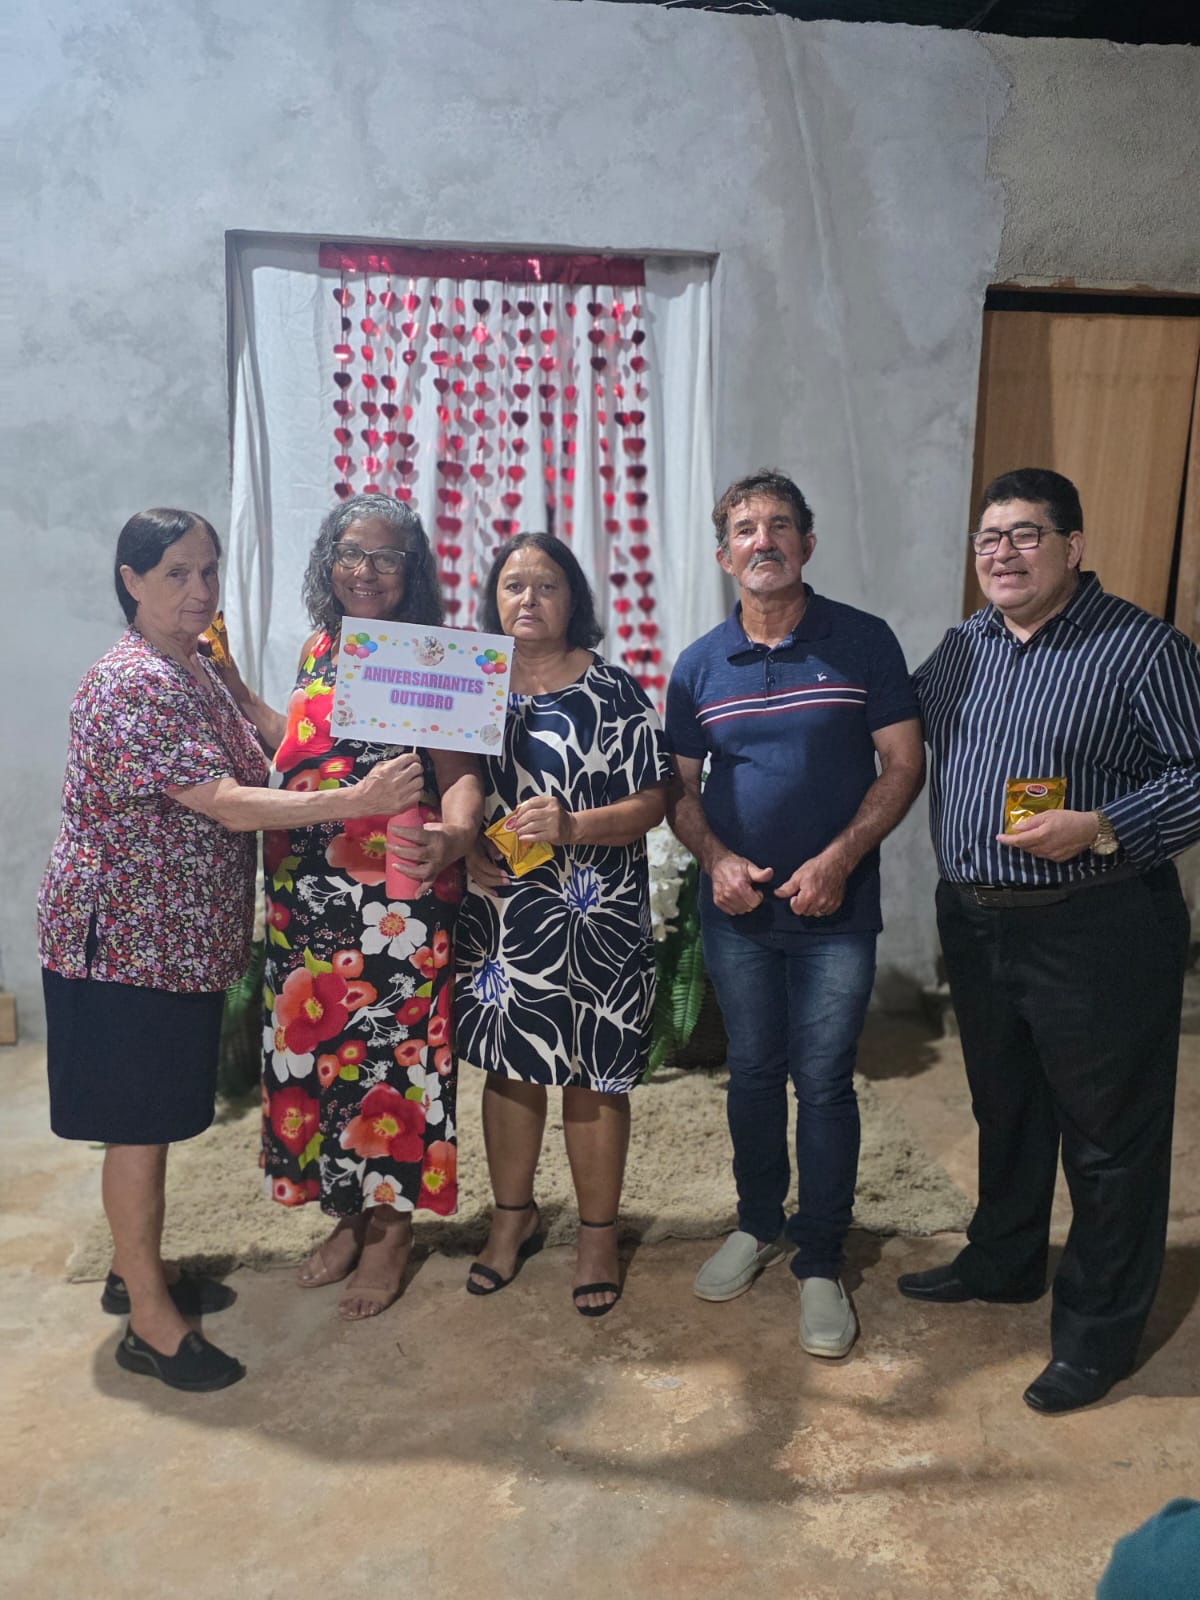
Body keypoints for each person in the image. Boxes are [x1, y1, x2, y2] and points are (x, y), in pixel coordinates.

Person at [38, 509, 424, 1392]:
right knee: (138, 1129)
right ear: (131, 581)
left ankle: (134, 1270)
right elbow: (226, 800)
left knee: (156, 1118)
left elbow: (273, 752)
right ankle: (149, 1322)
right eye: (176, 573)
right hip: (124, 941)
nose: (200, 590)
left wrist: (256, 699)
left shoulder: (196, 664)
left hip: (176, 939)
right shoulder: (134, 681)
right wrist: (357, 799)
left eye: (209, 571)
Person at [903, 467, 1200, 1414]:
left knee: (1109, 1139)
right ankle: (1003, 1261)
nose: (1003, 554)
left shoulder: (1144, 648)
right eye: (989, 538)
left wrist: (1102, 825)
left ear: (1073, 547)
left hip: (1099, 921)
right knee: (1007, 1108)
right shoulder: (964, 647)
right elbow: (894, 730)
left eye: (1025, 535)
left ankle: (1097, 1334)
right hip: (978, 920)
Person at [665, 470, 924, 1358]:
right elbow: (679, 789)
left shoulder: (862, 641)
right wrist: (717, 861)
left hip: (835, 911)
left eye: (779, 525)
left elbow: (902, 765)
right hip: (736, 911)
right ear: (724, 555)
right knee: (749, 1075)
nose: (763, 539)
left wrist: (839, 859)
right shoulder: (699, 664)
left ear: (807, 544)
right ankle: (756, 1221)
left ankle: (819, 1257)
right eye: (744, 528)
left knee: (823, 1082)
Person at [219, 494, 482, 1321]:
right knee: (325, 1057)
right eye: (350, 553)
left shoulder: (430, 654)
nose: (365, 570)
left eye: (386, 556)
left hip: (393, 902)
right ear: (328, 562)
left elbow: (461, 774)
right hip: (306, 898)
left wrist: (456, 837)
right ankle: (347, 1211)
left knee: (395, 1062)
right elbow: (304, 750)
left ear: (413, 570)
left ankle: (390, 1231)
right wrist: (237, 691)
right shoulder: (322, 647)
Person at [455, 532, 672, 1316]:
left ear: (572, 598)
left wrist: (575, 825)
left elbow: (655, 800)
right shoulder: (471, 685)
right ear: (494, 599)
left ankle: (597, 1235)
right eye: (513, 585)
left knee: (594, 1071)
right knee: (509, 1066)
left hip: (596, 909)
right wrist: (463, 847)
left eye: (546, 585)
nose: (528, 599)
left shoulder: (613, 690)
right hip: (503, 909)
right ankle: (511, 1220)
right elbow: (449, 783)